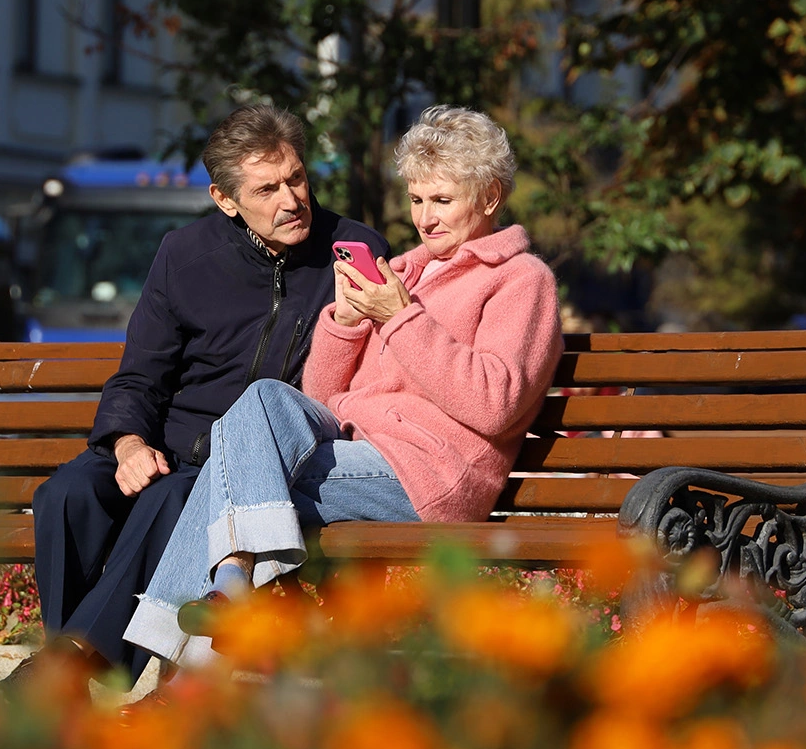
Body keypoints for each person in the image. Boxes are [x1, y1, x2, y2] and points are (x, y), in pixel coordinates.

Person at [122, 105, 564, 670]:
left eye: (442, 200)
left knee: (221, 478)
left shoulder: (520, 282)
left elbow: (494, 403)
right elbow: (325, 399)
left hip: (432, 473)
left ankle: (176, 670)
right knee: (261, 400)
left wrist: (402, 320)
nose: (425, 218)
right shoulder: (402, 270)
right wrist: (347, 322)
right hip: (357, 451)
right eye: (416, 200)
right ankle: (227, 598)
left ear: (491, 197)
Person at [2, 105, 387, 690]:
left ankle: (69, 677)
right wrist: (128, 443)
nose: (292, 199)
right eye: (268, 189)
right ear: (225, 199)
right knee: (68, 493)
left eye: (297, 178)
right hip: (167, 441)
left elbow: (366, 379)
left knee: (172, 498)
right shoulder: (185, 255)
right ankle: (71, 669)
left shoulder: (351, 251)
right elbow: (138, 376)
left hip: (253, 462)